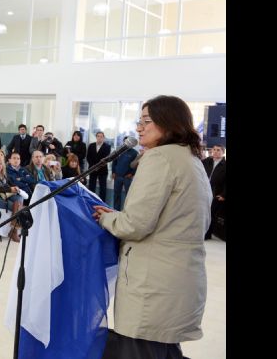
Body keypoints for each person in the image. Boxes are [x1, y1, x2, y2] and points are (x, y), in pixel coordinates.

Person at [92, 95, 212, 358]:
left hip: (153, 285)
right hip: (178, 280)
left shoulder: (159, 159)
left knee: (141, 349)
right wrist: (120, 216)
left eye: (146, 121)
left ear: (169, 123)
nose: (139, 128)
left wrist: (106, 218)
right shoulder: (191, 159)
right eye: (139, 121)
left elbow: (135, 225)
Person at [202, 144, 226, 241]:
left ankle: (207, 234)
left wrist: (223, 195)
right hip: (203, 190)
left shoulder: (225, 165)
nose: (215, 152)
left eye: (218, 150)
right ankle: (201, 231)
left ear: (223, 152)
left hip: (216, 192)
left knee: (211, 214)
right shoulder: (206, 161)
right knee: (202, 212)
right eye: (214, 149)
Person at [111, 136, 139, 211]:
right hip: (117, 176)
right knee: (116, 194)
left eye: (129, 142)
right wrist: (113, 172)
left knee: (128, 195)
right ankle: (116, 210)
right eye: (126, 142)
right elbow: (114, 162)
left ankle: (127, 211)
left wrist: (132, 174)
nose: (127, 143)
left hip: (127, 177)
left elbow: (136, 165)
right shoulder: (118, 151)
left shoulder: (135, 153)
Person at [86, 131, 112, 201]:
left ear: (103, 138)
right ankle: (91, 201)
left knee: (103, 188)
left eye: (101, 136)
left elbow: (106, 158)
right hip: (92, 169)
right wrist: (94, 166)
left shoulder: (107, 146)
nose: (99, 138)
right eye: (98, 136)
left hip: (102, 170)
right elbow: (88, 157)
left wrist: (98, 166)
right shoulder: (91, 145)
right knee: (91, 187)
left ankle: (101, 203)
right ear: (96, 137)